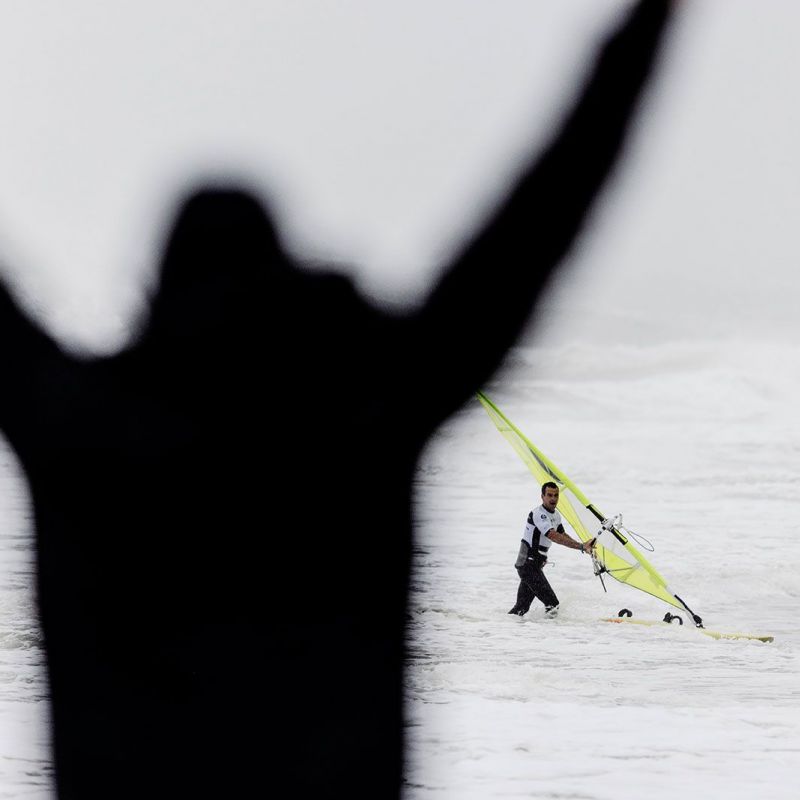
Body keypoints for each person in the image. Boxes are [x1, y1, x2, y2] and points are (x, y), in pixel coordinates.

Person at [0, 2, 672, 797]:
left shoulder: (81, 425)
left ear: (157, 286)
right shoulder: (366, 414)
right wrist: (650, 27)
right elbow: (538, 224)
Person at [508, 482, 596, 617]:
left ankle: (502, 626)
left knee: (521, 608)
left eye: (556, 495)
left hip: (533, 565)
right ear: (542, 497)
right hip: (528, 564)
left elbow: (562, 535)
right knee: (553, 605)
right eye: (549, 495)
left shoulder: (556, 515)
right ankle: (550, 631)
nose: (553, 498)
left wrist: (583, 546)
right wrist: (581, 547)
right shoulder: (538, 514)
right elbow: (553, 536)